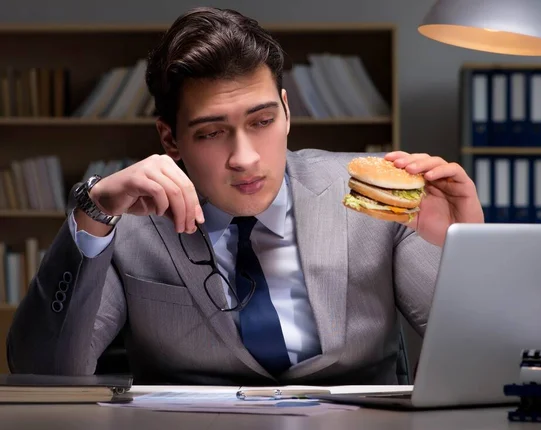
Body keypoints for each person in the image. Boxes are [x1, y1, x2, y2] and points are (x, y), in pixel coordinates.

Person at [6, 7, 484, 386]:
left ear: (287, 110)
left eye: (262, 122)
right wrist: (93, 216)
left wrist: (468, 251)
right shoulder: (125, 221)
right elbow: (45, 375)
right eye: (213, 133)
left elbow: (482, 359)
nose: (246, 157)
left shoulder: (375, 195)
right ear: (170, 140)